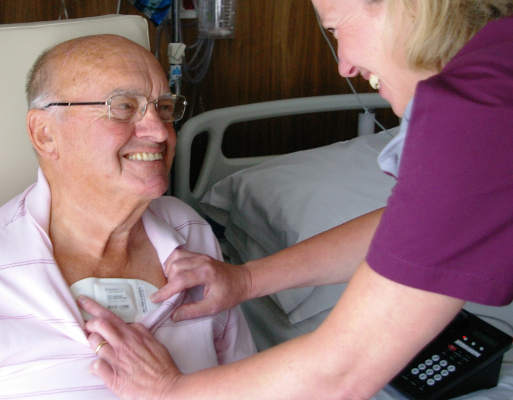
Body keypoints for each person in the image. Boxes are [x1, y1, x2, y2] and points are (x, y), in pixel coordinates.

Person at [81, 1, 513, 399]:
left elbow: (342, 372)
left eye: (335, 28)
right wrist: (246, 280)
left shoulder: (474, 111)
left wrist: (170, 390)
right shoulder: (497, 67)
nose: (344, 66)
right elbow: (414, 228)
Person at [0, 34, 255, 399]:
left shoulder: (188, 231)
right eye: (122, 107)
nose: (159, 131)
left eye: (163, 108)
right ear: (45, 134)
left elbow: (245, 383)